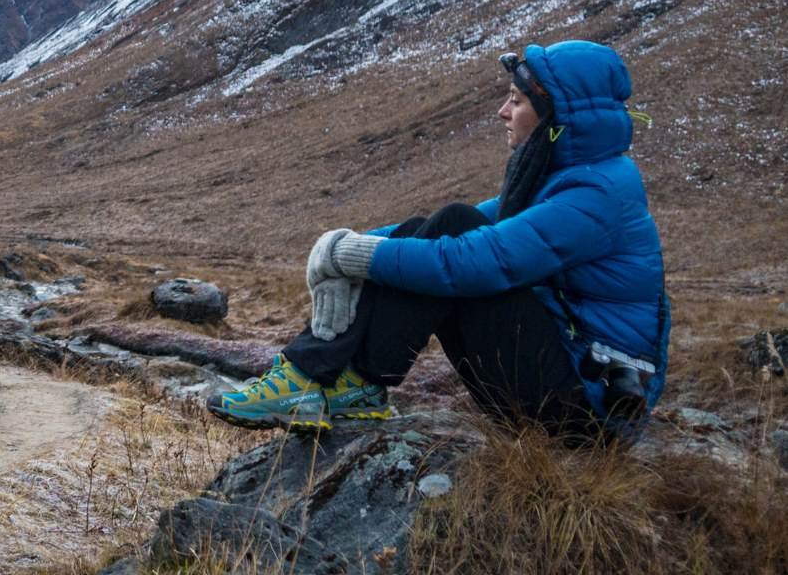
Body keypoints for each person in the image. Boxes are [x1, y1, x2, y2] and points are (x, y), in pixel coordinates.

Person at [207, 40, 669, 441]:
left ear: (554, 114)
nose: (502, 112)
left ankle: (319, 378)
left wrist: (357, 256)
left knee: (452, 233)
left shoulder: (596, 194)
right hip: (566, 379)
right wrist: (343, 247)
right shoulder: (567, 177)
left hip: (589, 418)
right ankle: (339, 383)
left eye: (516, 100)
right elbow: (459, 227)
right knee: (434, 227)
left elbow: (479, 260)